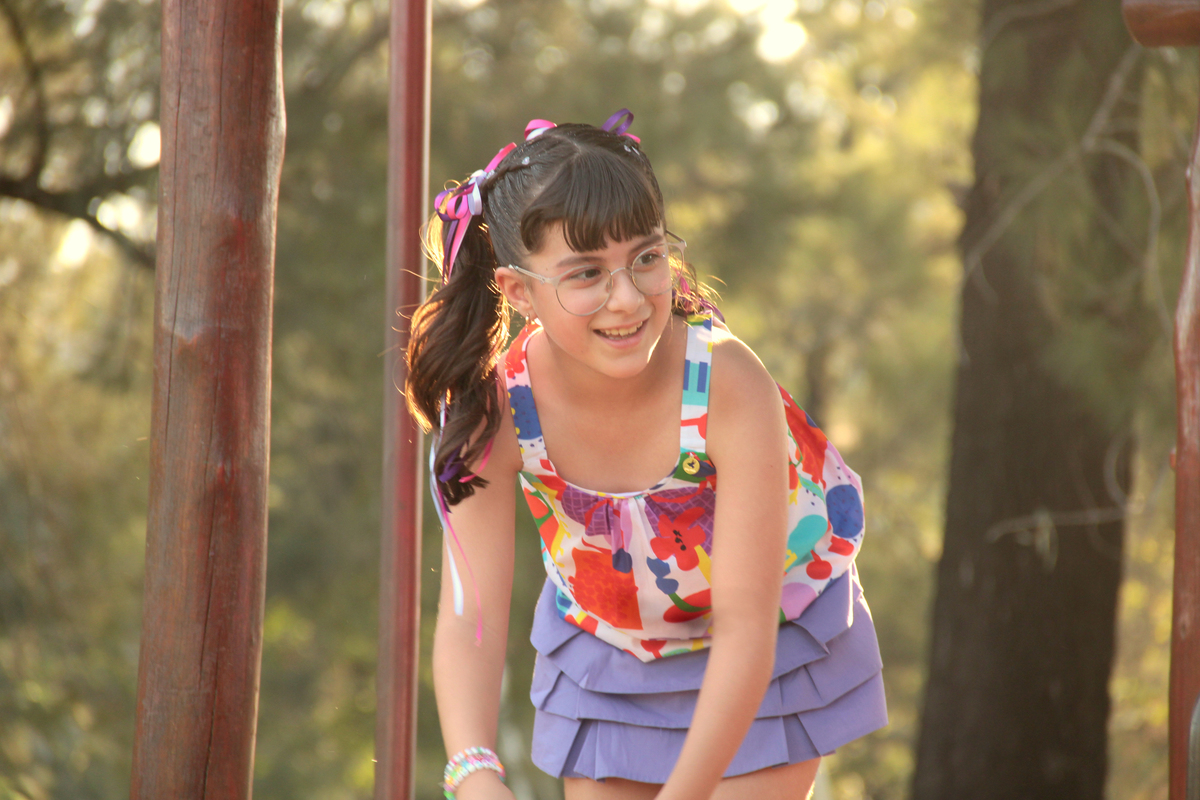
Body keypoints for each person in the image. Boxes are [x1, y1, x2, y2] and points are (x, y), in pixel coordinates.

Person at [406, 110, 887, 800]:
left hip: (769, 649)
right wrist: (473, 771)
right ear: (518, 290)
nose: (626, 297)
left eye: (647, 258)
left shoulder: (726, 384)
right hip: (612, 662)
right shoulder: (496, 412)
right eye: (586, 274)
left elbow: (746, 625)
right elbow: (469, 617)